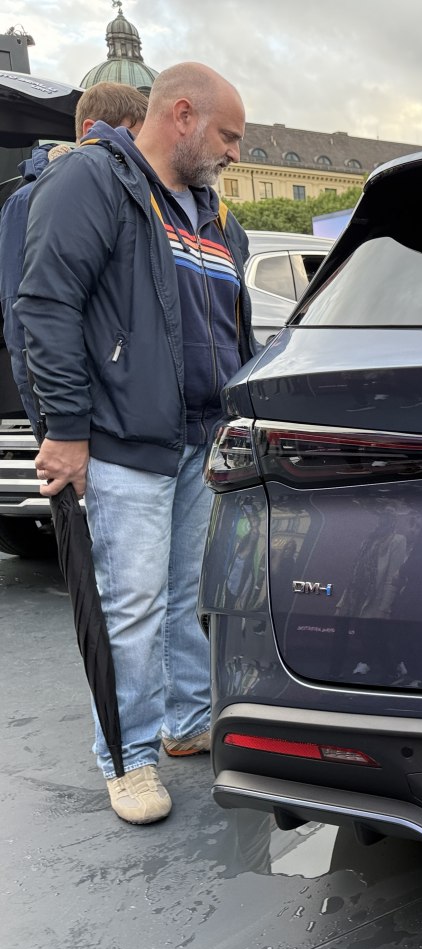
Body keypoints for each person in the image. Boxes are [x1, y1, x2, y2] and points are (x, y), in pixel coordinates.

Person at [15, 63, 251, 824]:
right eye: (228, 136)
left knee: (187, 601)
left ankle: (186, 725)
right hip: (124, 444)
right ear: (181, 115)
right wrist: (67, 432)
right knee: (133, 607)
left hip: (200, 443)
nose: (235, 154)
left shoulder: (215, 216)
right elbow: (44, 308)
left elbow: (229, 334)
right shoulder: (94, 183)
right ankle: (129, 758)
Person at [1, 82, 149, 426]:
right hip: (70, 407)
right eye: (132, 137)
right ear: (89, 131)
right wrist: (48, 421)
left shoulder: (122, 194)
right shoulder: (29, 199)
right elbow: (20, 316)